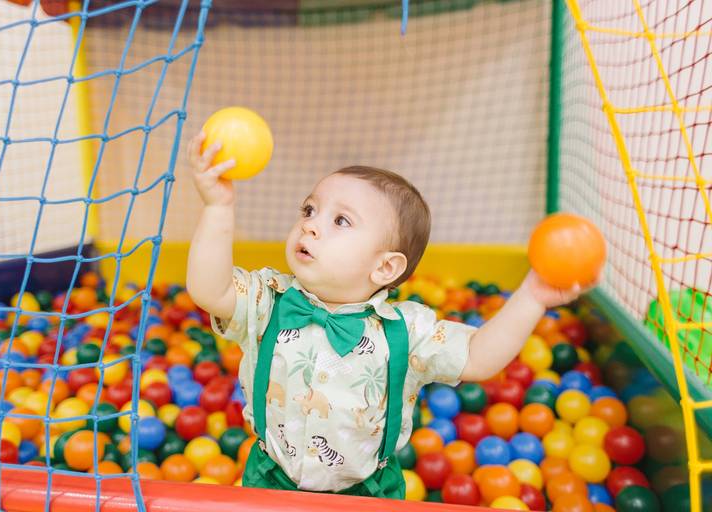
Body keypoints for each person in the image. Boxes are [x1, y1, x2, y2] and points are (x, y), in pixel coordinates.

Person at [185, 132, 592, 498]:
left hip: (368, 491)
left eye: (340, 220)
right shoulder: (268, 300)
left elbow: (479, 357)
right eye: (309, 210)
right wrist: (218, 207)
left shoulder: (406, 330)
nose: (310, 226)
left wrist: (532, 297)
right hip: (271, 478)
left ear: (385, 268)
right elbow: (210, 289)